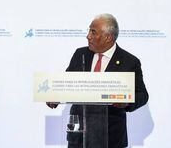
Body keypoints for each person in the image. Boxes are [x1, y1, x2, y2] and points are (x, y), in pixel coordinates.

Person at [48, 14, 149, 148]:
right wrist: (55, 95)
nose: (88, 36)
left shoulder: (129, 61)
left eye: (93, 32)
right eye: (89, 31)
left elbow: (142, 95)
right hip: (79, 136)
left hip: (111, 137)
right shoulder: (80, 54)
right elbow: (67, 84)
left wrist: (127, 101)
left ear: (108, 37)